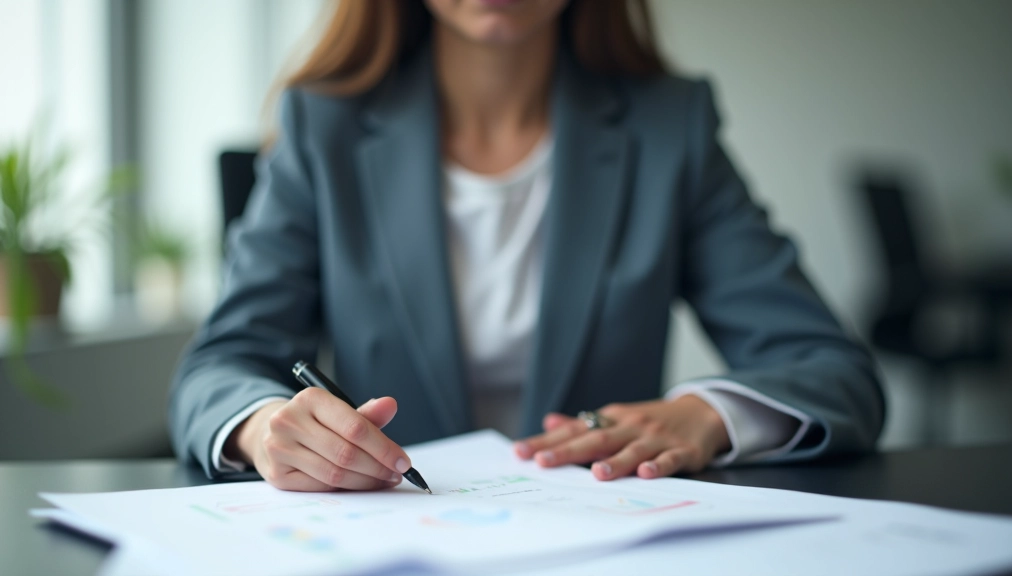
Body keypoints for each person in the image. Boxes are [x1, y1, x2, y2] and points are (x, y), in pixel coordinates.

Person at [170, 0, 885, 492]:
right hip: (393, 541)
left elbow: (831, 370)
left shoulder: (670, 128)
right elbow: (220, 366)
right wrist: (265, 429)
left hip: (610, 543)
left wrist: (709, 416)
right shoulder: (324, 127)